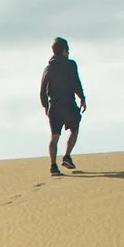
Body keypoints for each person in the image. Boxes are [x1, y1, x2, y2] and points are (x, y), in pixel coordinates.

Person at [39, 36, 85, 172]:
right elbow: (76, 83)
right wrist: (82, 97)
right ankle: (67, 156)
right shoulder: (70, 65)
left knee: (54, 137)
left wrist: (45, 106)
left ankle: (53, 166)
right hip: (69, 105)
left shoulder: (48, 68)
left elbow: (42, 89)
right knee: (74, 129)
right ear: (64, 51)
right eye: (68, 50)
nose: (69, 53)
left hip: (54, 106)